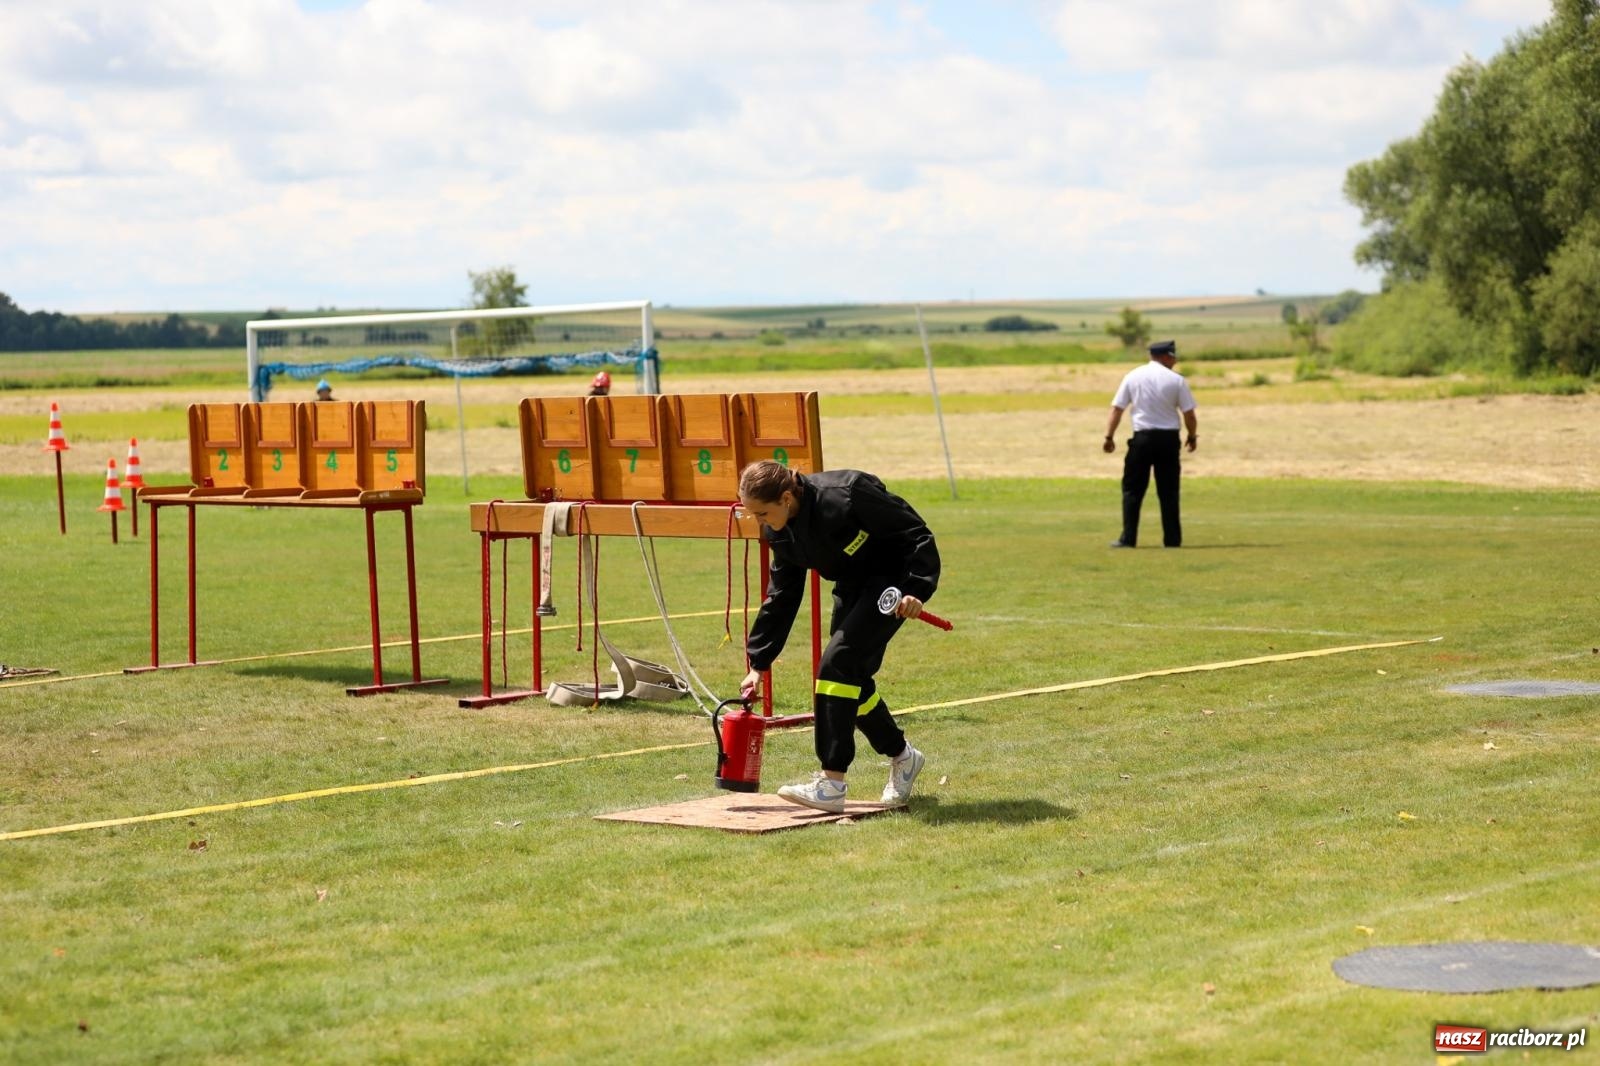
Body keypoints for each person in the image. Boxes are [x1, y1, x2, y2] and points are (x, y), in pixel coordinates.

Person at [737, 460, 938, 812]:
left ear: (786, 498)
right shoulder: (779, 531)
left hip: (893, 582)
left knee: (836, 666)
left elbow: (916, 534)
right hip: (852, 586)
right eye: (751, 514)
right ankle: (904, 756)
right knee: (850, 679)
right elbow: (781, 596)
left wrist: (915, 589)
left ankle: (831, 783)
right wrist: (758, 663)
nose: (759, 522)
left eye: (762, 513)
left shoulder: (847, 493)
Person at [1103, 339, 1198, 548]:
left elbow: (1117, 409)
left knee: (1132, 490)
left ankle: (1128, 538)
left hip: (1142, 439)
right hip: (1168, 440)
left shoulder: (1132, 376)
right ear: (1163, 357)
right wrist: (1192, 436)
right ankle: (1172, 539)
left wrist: (1109, 436)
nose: (1175, 360)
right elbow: (1189, 414)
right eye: (1172, 357)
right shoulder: (1176, 380)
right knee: (1169, 491)